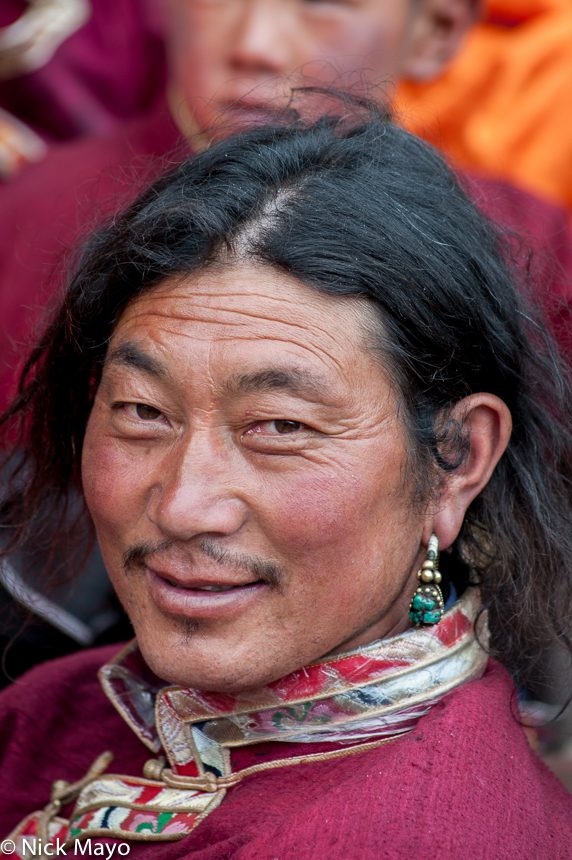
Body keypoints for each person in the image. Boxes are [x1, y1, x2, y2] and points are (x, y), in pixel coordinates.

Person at [1, 103, 572, 855]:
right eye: (143, 411)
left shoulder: (423, 835)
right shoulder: (53, 710)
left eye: (280, 427)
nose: (183, 505)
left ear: (456, 459)